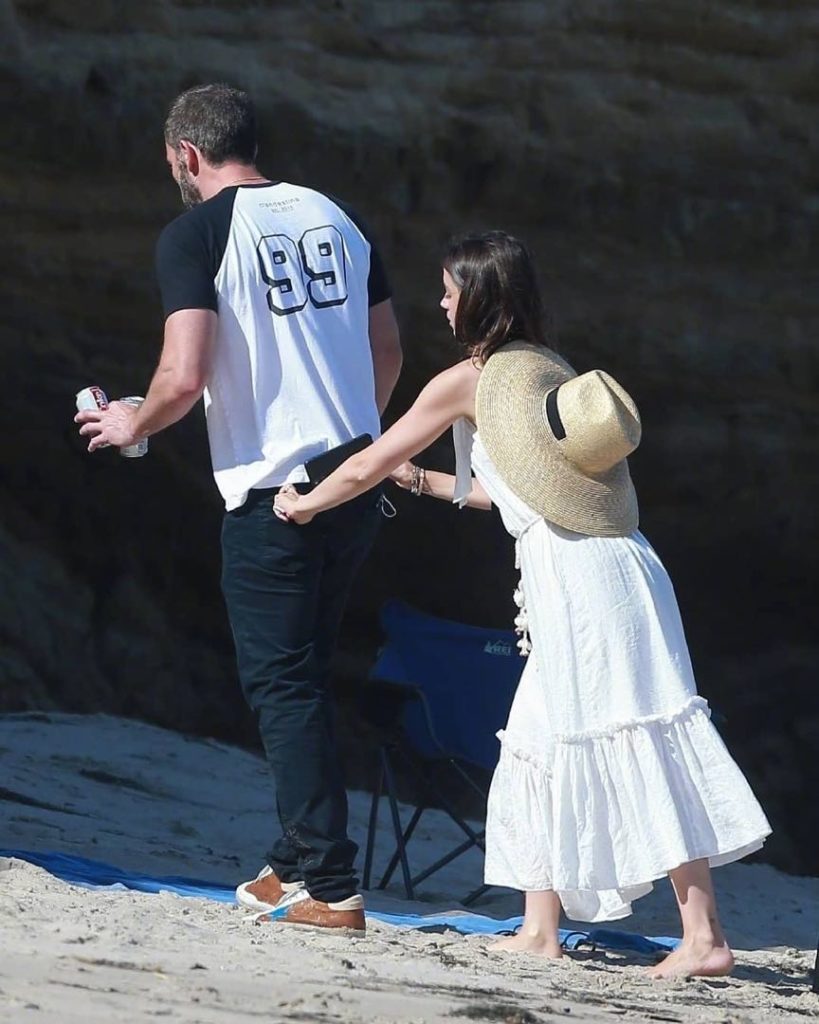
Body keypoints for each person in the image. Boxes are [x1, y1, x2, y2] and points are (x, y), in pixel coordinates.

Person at [273, 230, 771, 976]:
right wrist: (422, 482)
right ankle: (541, 928)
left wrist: (306, 504)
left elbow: (369, 460)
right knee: (539, 740)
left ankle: (703, 938)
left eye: (449, 291)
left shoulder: (467, 381)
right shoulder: (545, 368)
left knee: (633, 731)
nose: (441, 304)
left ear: (478, 297)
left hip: (582, 581)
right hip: (604, 566)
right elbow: (521, 495)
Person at [75, 83, 402, 934]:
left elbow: (183, 375)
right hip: (352, 481)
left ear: (186, 155)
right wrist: (347, 446)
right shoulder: (339, 216)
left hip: (276, 495)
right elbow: (387, 352)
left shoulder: (195, 235)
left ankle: (330, 884)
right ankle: (293, 858)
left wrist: (133, 423)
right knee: (307, 671)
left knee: (282, 685)